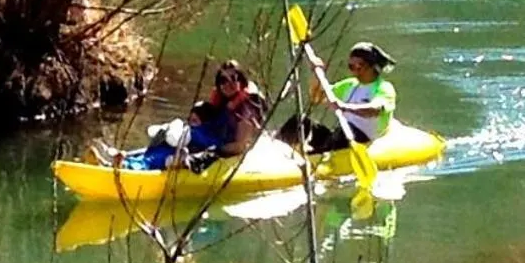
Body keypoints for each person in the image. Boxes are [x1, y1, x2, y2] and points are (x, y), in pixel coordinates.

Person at [101, 61, 269, 173]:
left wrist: (211, 151)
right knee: (167, 142)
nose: (228, 84)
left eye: (234, 78)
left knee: (172, 151)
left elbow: (239, 146)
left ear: (242, 80)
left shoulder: (248, 108)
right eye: (223, 80)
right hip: (203, 138)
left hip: (215, 148)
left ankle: (130, 168)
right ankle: (122, 160)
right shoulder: (225, 102)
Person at [279, 41, 397, 154]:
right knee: (298, 122)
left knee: (339, 137)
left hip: (363, 137)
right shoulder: (349, 84)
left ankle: (315, 157)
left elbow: (375, 110)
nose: (355, 71)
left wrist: (344, 107)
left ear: (373, 67)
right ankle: (276, 151)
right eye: (351, 66)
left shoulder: (384, 88)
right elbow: (316, 97)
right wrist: (316, 73)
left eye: (360, 66)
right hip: (342, 134)